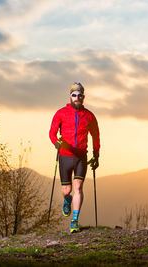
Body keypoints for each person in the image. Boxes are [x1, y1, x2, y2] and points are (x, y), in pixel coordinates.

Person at [49, 82, 100, 233]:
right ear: (70, 96)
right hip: (65, 156)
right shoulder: (61, 113)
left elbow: (96, 136)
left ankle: (74, 220)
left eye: (80, 95)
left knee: (78, 187)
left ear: (83, 97)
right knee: (67, 189)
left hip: (81, 157)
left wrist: (96, 155)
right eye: (74, 95)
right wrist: (56, 143)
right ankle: (67, 199)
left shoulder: (89, 116)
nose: (77, 98)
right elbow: (52, 133)